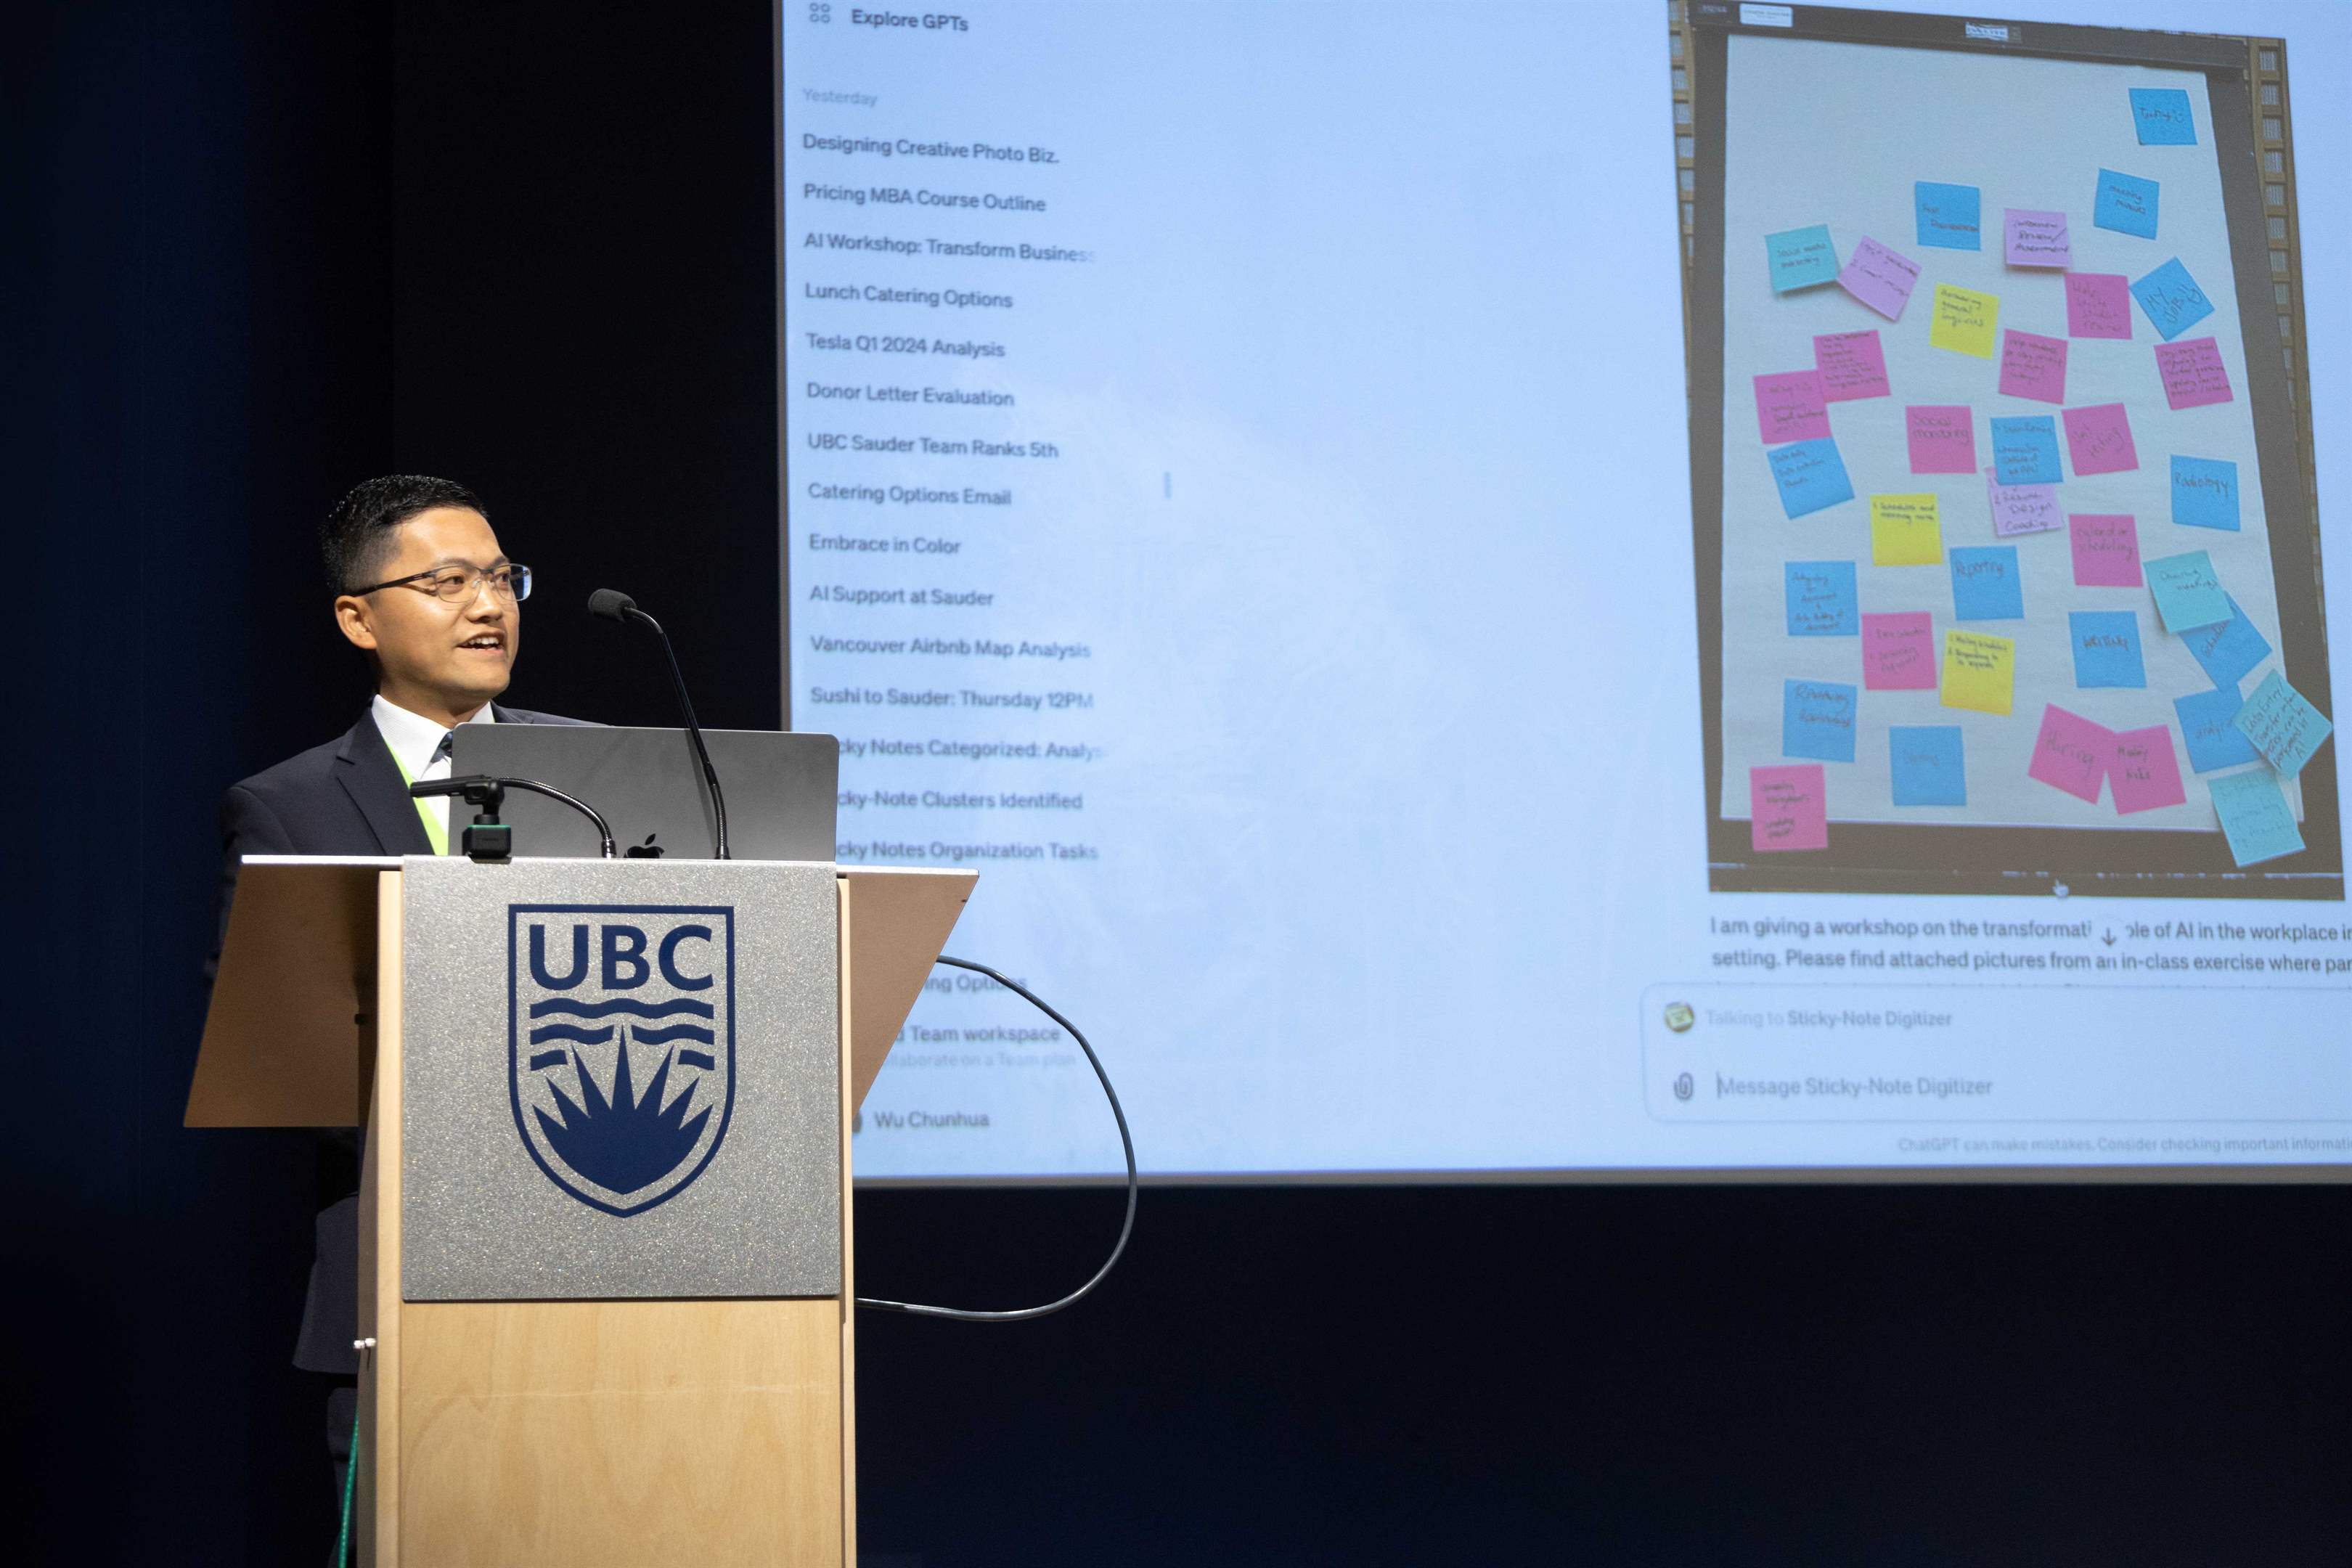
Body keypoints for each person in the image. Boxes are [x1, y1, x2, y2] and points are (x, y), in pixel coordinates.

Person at [210, 474, 588, 1514]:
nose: (489, 605)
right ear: (358, 618)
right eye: (448, 581)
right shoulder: (288, 806)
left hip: (606, 1266)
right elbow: (268, 1040)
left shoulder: (598, 773)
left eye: (502, 578)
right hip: (402, 1286)